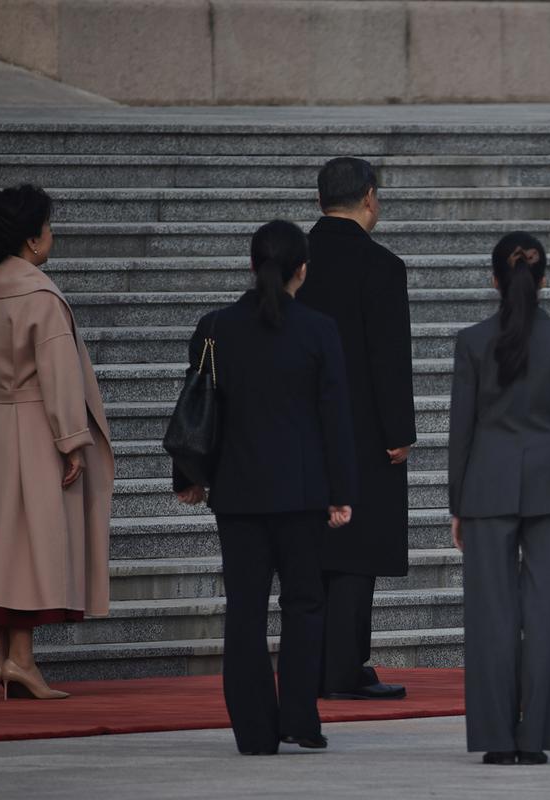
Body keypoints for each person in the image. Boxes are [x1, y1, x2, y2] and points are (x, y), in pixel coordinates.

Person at [173, 219, 356, 755]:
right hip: (301, 492)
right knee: (304, 603)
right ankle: (300, 717)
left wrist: (187, 477)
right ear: (302, 270)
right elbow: (335, 418)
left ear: (253, 266)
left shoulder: (215, 326)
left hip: (237, 490)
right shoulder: (319, 329)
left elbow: (195, 404)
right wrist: (341, 490)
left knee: (246, 611)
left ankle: (254, 730)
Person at [0, 184, 113, 701]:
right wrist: (70, 441)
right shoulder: (41, 294)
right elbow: (60, 377)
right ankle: (21, 660)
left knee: (0, 549)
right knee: (30, 550)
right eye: (47, 226)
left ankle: (5, 659)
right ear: (33, 240)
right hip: (36, 426)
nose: (51, 234)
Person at [449, 232, 550, 765]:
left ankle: (496, 738)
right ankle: (534, 739)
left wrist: (457, 502)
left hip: (486, 487)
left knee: (491, 614)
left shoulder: (472, 341)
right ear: (545, 279)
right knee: (549, 613)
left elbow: (460, 431)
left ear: (494, 280)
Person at [298, 157, 416, 700]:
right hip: (361, 430)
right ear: (369, 197)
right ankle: (343, 668)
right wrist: (399, 431)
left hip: (297, 428)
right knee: (356, 550)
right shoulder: (381, 266)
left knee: (313, 548)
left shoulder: (294, 260)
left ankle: (316, 661)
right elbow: (386, 358)